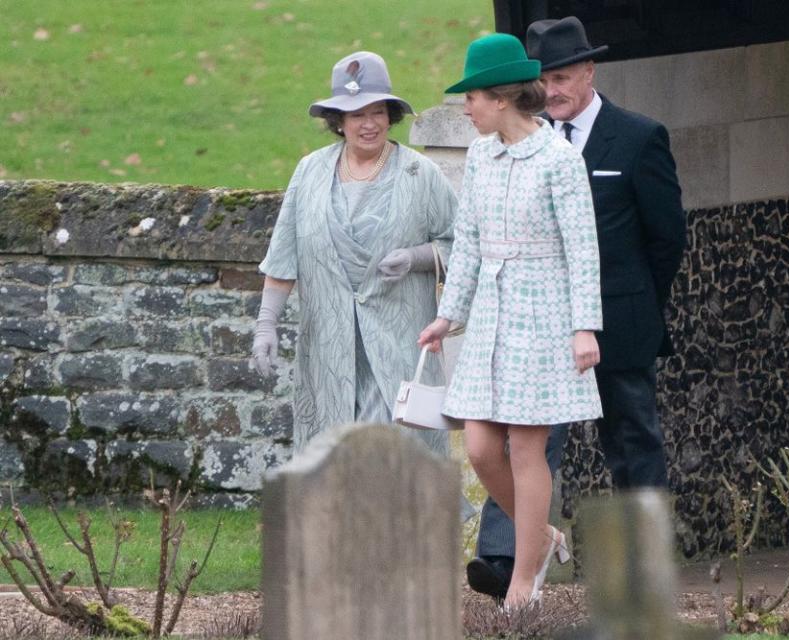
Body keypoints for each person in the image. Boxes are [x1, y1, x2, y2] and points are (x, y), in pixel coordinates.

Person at [465, 16, 687, 600]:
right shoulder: (512, 146)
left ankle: (644, 567)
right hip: (534, 324)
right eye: (544, 80)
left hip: (616, 322)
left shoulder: (638, 137)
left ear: (590, 71)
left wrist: (635, 303)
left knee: (633, 439)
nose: (553, 90)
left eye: (562, 77)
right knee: (524, 437)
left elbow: (667, 237)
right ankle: (506, 554)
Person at [419, 32, 603, 609]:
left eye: (470, 97)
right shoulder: (480, 155)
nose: (465, 108)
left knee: (526, 449)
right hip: (493, 316)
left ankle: (523, 584)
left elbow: (583, 249)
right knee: (478, 447)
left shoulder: (560, 160)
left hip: (544, 315)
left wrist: (584, 327)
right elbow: (468, 242)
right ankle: (542, 536)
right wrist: (449, 316)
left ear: (499, 98)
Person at [252, 51, 457, 460]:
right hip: (328, 352)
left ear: (390, 116)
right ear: (338, 122)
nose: (369, 124)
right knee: (331, 462)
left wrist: (417, 257)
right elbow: (284, 255)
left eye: (377, 112)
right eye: (356, 114)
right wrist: (265, 325)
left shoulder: (420, 175)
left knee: (392, 462)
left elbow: (465, 247)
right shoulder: (309, 172)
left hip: (397, 349)